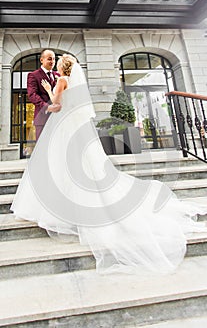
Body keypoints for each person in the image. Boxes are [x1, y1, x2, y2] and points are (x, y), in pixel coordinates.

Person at [11, 54, 207, 275]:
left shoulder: (62, 81)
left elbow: (56, 105)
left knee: (59, 164)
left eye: (56, 62)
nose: (54, 63)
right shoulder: (71, 82)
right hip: (73, 127)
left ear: (62, 68)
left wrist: (48, 90)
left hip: (63, 126)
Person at [27, 49, 61, 140]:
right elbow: (32, 95)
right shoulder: (33, 75)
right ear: (42, 60)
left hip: (59, 119)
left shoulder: (58, 75)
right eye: (50, 59)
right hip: (43, 119)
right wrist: (47, 107)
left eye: (54, 59)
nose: (52, 61)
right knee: (43, 148)